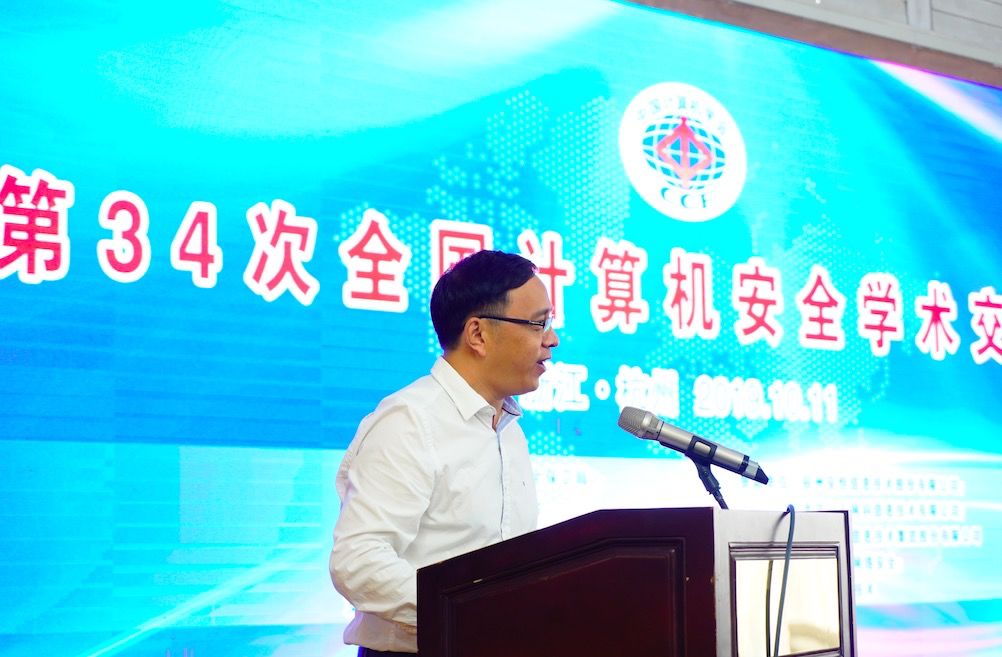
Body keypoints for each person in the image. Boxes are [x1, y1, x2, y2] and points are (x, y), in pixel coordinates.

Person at [330, 250, 559, 656]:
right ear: (478, 335)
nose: (551, 339)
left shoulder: (509, 429)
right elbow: (358, 561)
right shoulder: (410, 421)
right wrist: (467, 610)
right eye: (538, 323)